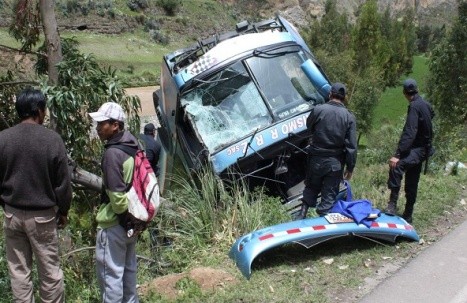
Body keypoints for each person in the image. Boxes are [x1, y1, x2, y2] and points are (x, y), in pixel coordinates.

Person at [0, 87, 72, 302]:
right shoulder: (52, 140)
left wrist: (6, 206)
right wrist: (64, 210)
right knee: (49, 273)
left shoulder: (3, 139)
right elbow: (63, 183)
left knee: (19, 273)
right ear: (39, 110)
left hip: (12, 215)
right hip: (42, 217)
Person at [89, 101, 140, 302]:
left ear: (115, 125)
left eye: (102, 124)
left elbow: (117, 198)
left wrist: (124, 220)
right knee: (128, 276)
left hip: (114, 225)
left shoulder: (112, 154)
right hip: (131, 222)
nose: (98, 128)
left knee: (111, 279)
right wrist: (132, 223)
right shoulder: (132, 146)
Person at [297, 82, 357, 219]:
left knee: (311, 188)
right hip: (334, 163)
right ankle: (322, 223)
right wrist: (350, 167)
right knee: (328, 197)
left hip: (316, 160)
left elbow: (309, 127)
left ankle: (301, 215)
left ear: (330, 94)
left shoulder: (318, 110)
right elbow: (351, 146)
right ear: (344, 97)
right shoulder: (349, 117)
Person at [385, 78, 434, 223]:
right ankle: (408, 214)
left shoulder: (414, 106)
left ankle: (392, 205)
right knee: (412, 180)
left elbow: (410, 131)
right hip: (423, 149)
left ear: (404, 92)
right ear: (416, 90)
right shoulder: (424, 104)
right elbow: (432, 114)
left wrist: (398, 154)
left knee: (397, 166)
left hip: (417, 149)